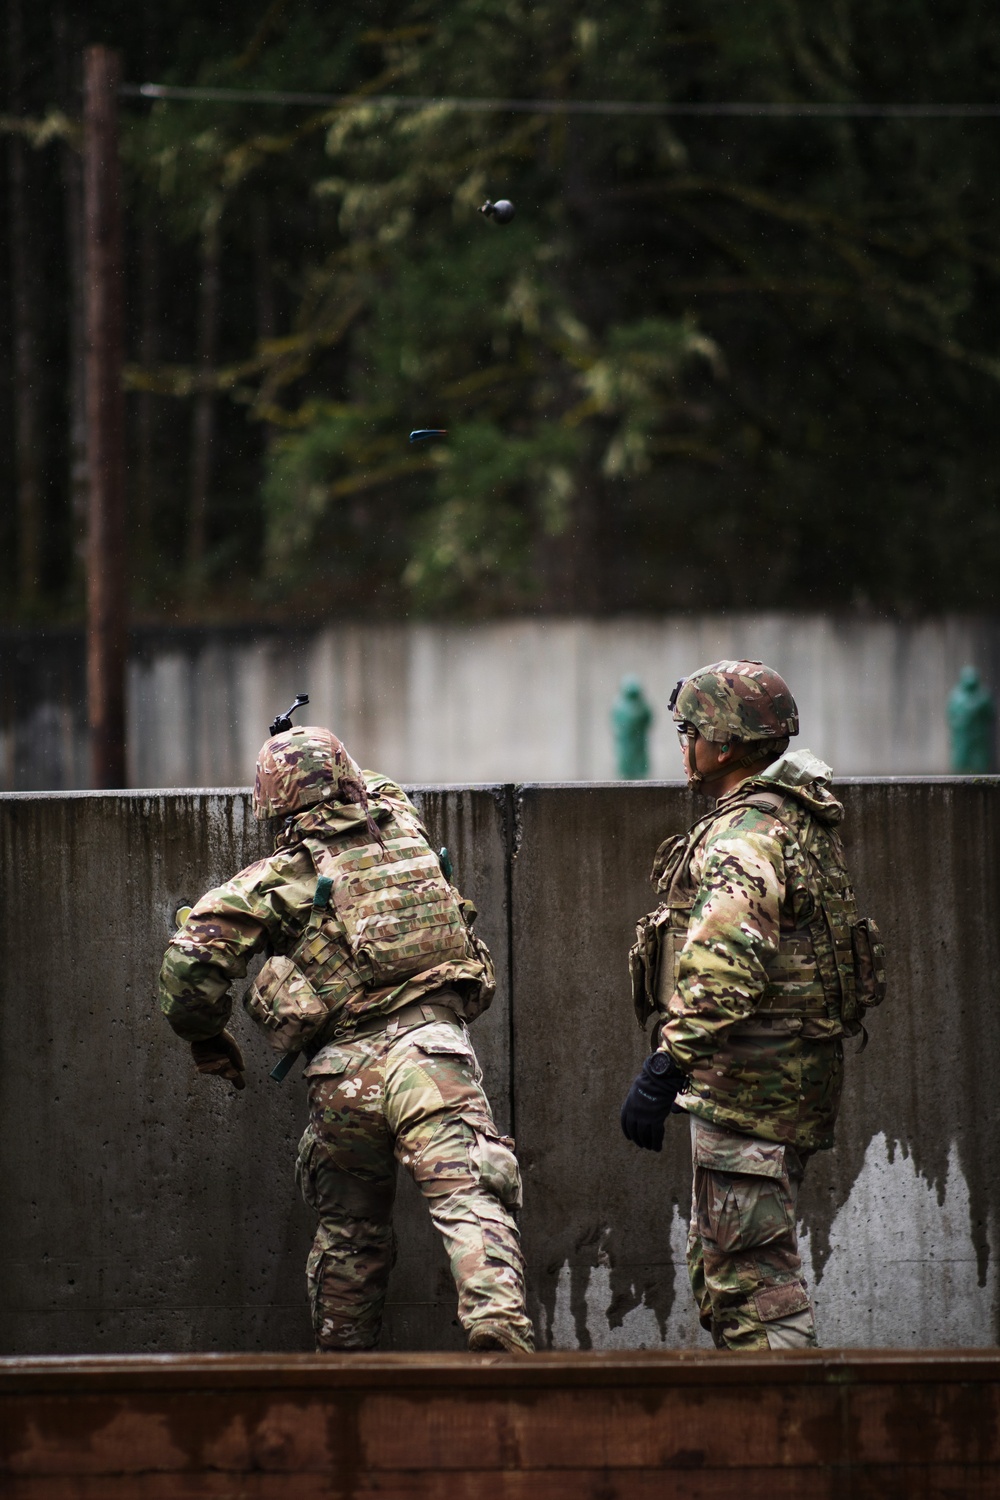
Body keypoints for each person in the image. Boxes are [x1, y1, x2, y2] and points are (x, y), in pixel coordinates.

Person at [158, 715, 534, 1355]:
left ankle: (340, 1372)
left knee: (350, 1234)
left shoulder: (276, 881)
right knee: (472, 1199)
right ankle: (501, 1343)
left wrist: (207, 1038)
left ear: (273, 804)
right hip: (432, 1058)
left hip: (342, 1080)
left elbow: (191, 961)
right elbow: (376, 787)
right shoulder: (404, 829)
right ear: (353, 782)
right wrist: (314, 744)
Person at [620, 660, 885, 1351]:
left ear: (726, 744)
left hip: (749, 1088)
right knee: (725, 1274)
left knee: (753, 1288)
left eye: (691, 731)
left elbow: (724, 970)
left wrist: (664, 1067)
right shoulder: (795, 820)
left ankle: (798, 1439)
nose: (683, 744)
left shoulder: (744, 837)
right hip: (782, 1079)